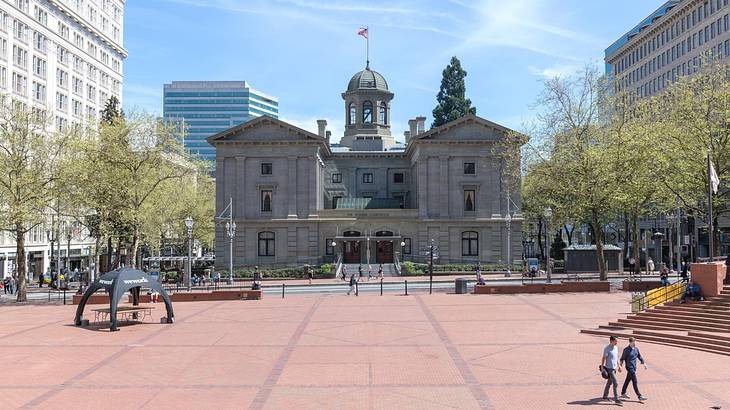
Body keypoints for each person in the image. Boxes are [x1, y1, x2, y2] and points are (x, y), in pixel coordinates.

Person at [620, 337, 648, 401]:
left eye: (635, 341)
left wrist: (644, 363)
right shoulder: (626, 350)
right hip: (629, 367)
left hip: (634, 367)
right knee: (634, 381)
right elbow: (622, 358)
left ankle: (623, 393)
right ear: (630, 342)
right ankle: (639, 396)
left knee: (627, 380)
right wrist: (620, 365)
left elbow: (639, 356)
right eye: (633, 342)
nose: (635, 343)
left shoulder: (636, 349)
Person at [600, 335, 622, 404]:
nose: (617, 342)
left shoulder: (616, 347)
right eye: (615, 341)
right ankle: (616, 399)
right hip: (609, 369)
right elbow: (603, 358)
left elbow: (616, 357)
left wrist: (619, 366)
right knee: (615, 383)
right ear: (611, 341)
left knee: (609, 382)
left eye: (617, 341)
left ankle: (605, 396)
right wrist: (602, 367)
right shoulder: (607, 348)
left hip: (614, 368)